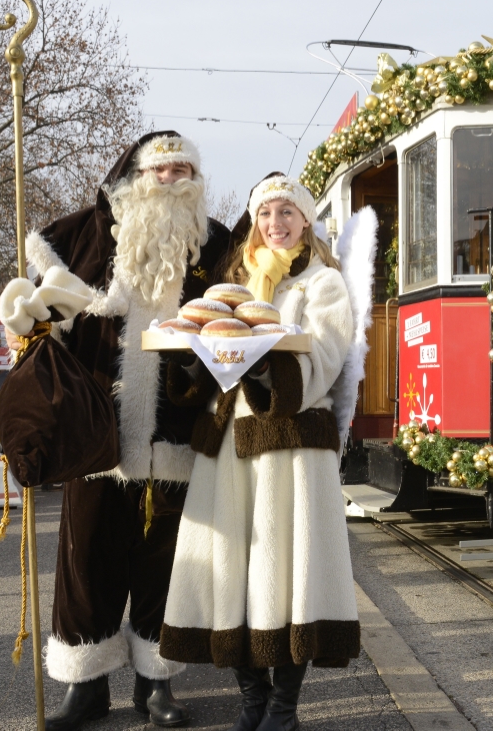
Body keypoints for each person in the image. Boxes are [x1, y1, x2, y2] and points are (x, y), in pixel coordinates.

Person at [1, 131, 231, 731]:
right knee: (86, 562)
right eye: (163, 169)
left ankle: (158, 684)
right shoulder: (82, 235)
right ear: (135, 175)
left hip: (178, 431)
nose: (176, 177)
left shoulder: (215, 242)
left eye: (185, 168)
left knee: (169, 566)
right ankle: (85, 687)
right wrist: (34, 321)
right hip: (96, 435)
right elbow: (42, 318)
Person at [160, 175, 360, 731]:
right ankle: (251, 699)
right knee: (235, 576)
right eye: (266, 212)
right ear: (254, 222)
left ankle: (283, 708)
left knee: (288, 577)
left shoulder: (323, 284)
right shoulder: (235, 284)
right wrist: (192, 359)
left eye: (287, 211)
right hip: (228, 449)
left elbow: (326, 358)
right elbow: (209, 368)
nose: (276, 222)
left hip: (290, 447)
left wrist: (269, 362)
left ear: (305, 221)